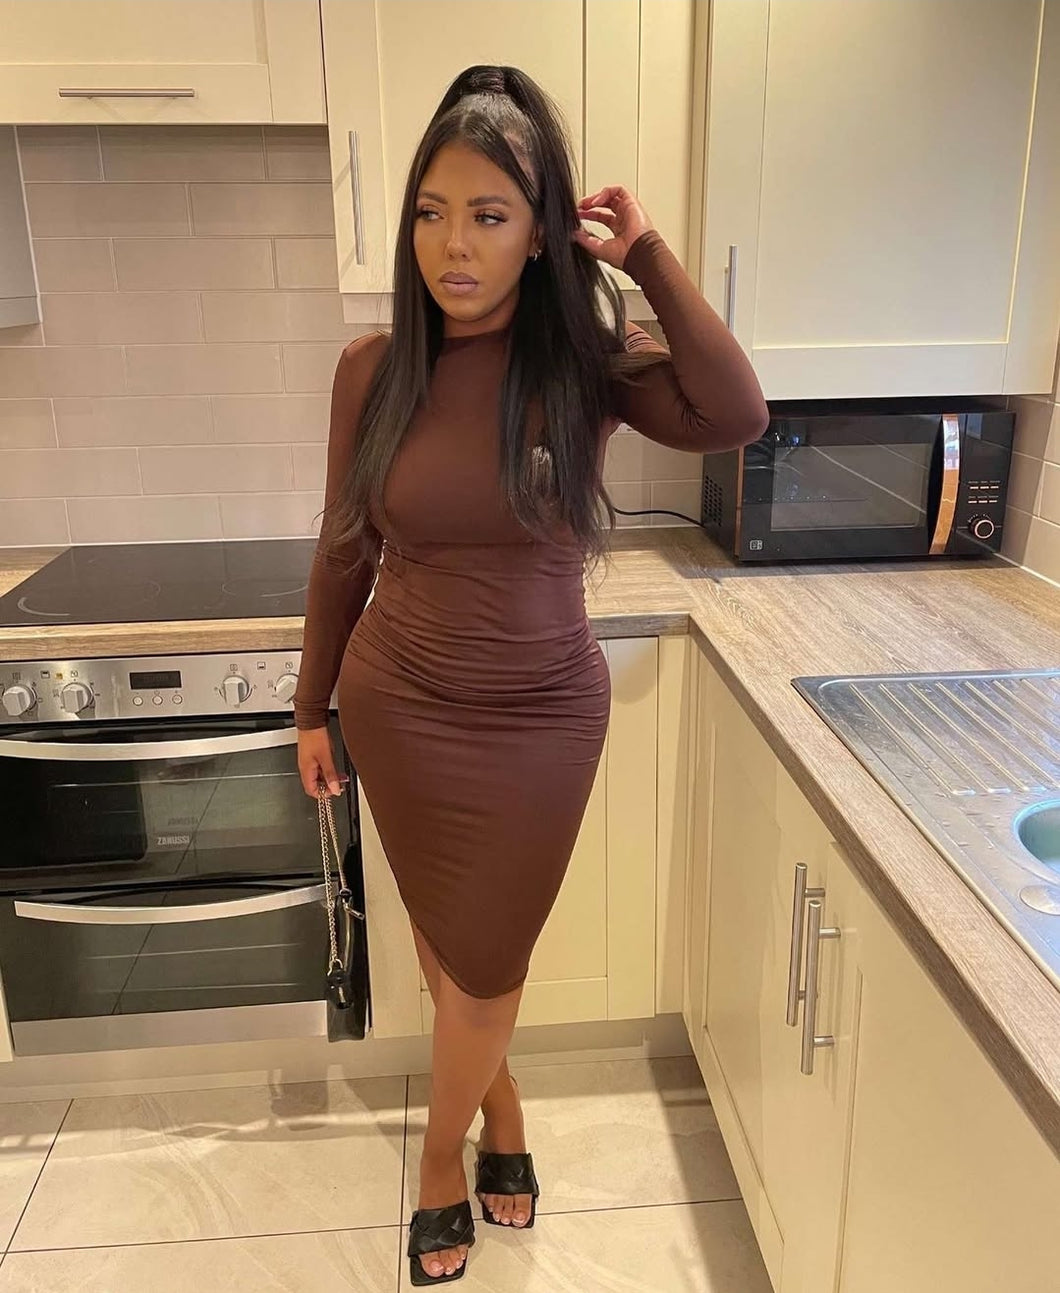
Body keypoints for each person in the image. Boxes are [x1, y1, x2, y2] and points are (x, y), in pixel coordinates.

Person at [293, 63, 768, 1286]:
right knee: (451, 947)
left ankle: (436, 1155)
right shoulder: (371, 369)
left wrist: (646, 254)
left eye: (489, 215)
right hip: (399, 701)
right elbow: (343, 548)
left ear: (540, 232)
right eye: (431, 211)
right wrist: (310, 707)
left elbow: (734, 415)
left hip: (542, 715)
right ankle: (497, 1113)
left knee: (488, 961)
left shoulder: (588, 364)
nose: (452, 244)